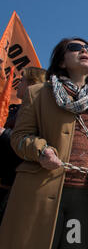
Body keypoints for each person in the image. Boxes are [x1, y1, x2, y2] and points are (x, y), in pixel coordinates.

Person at [0, 37, 88, 249]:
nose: (85, 51)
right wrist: (41, 150)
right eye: (75, 48)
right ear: (62, 62)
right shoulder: (38, 94)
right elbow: (20, 136)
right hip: (40, 191)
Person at [0, 67, 47, 224]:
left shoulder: (39, 114)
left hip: (13, 184)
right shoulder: (12, 110)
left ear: (32, 84)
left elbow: (29, 142)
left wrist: (3, 133)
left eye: (21, 81)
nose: (17, 85)